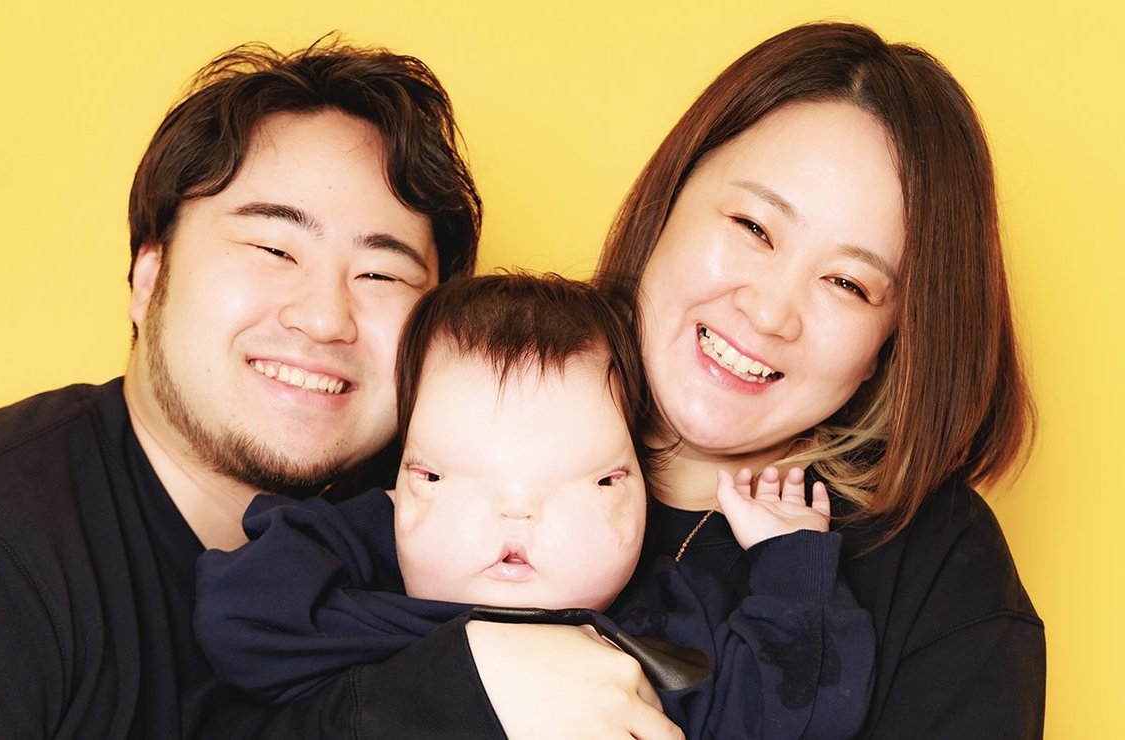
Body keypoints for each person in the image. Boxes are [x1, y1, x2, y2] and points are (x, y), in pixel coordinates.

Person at [459, 22, 1045, 739]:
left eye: (848, 283)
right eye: (754, 227)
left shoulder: (939, 569)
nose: (769, 313)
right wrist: (463, 678)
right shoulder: (469, 401)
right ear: (669, 197)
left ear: (894, 339)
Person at [0, 37, 484, 737]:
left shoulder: (435, 545)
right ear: (148, 277)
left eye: (381, 274)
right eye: (273, 249)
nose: (324, 318)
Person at [194, 272, 876, 739]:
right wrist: (394, 545)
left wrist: (790, 565)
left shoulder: (670, 625)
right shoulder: (358, 598)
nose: (515, 513)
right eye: (439, 475)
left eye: (594, 482)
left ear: (642, 493)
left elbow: (794, 712)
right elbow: (242, 616)